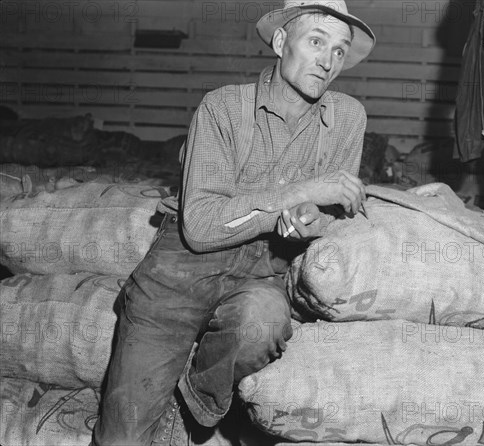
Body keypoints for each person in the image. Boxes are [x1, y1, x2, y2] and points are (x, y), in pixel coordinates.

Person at [92, 0, 376, 444]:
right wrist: (303, 193)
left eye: (339, 50)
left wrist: (309, 220)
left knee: (262, 321)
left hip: (262, 271)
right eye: (316, 42)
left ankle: (197, 401)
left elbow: (329, 214)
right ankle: (157, 402)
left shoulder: (346, 118)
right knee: (121, 438)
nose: (327, 61)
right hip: (179, 273)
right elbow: (202, 229)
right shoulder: (223, 108)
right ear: (282, 42)